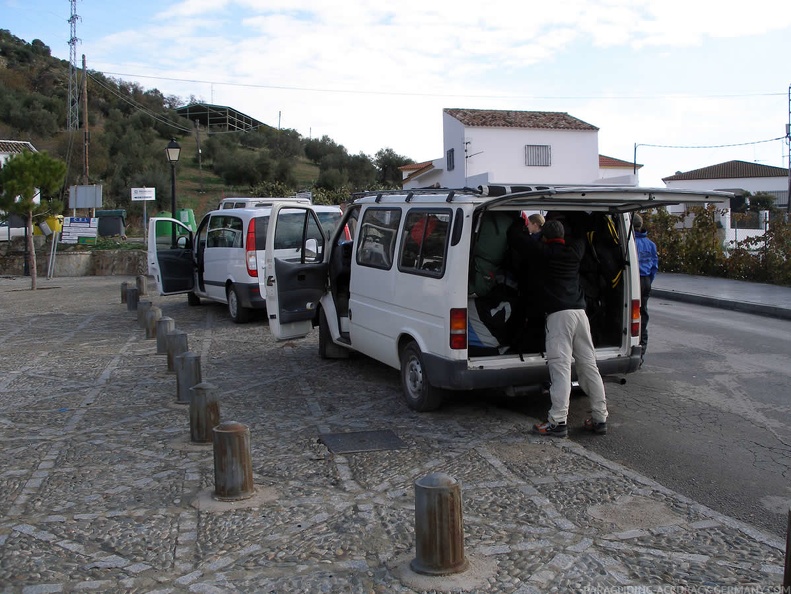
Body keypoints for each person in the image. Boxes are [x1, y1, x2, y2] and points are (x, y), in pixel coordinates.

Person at [508, 218, 609, 437]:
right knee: (589, 366)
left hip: (558, 316)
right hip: (580, 314)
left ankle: (557, 421)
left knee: (561, 368)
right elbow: (581, 237)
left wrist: (518, 220)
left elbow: (516, 238)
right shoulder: (574, 252)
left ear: (545, 236)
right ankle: (600, 418)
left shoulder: (541, 252)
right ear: (563, 237)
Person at [633, 213, 658, 364]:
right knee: (643, 316)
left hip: (635, 280)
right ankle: (641, 353)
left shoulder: (630, 242)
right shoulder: (651, 244)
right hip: (646, 280)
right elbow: (654, 267)